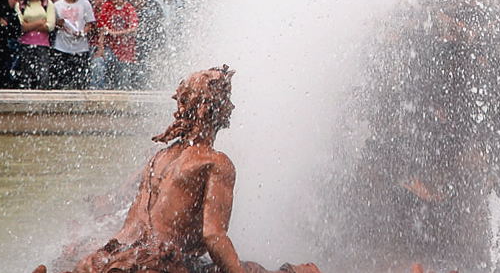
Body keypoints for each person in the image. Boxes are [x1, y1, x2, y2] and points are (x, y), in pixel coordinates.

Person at [30, 66, 309, 273]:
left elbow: (121, 207)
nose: (232, 106)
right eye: (228, 98)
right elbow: (214, 236)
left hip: (112, 257)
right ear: (212, 108)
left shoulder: (158, 158)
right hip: (159, 264)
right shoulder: (215, 162)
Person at [52, 0, 96, 89]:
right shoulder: (57, 5)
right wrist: (58, 24)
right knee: (60, 81)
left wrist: (82, 32)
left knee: (81, 82)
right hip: (62, 46)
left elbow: (89, 24)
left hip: (81, 48)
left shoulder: (85, 4)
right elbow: (53, 24)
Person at [94, 0, 139, 89]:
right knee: (98, 65)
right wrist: (100, 49)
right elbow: (102, 30)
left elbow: (134, 29)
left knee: (123, 80)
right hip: (110, 48)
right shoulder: (107, 7)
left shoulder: (129, 8)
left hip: (126, 51)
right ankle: (97, 93)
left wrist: (116, 33)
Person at [16, 0, 56, 89]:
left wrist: (30, 25)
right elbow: (21, 26)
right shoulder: (21, 5)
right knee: (26, 76)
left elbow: (50, 26)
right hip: (26, 44)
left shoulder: (48, 4)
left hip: (43, 45)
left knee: (43, 77)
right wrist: (39, 23)